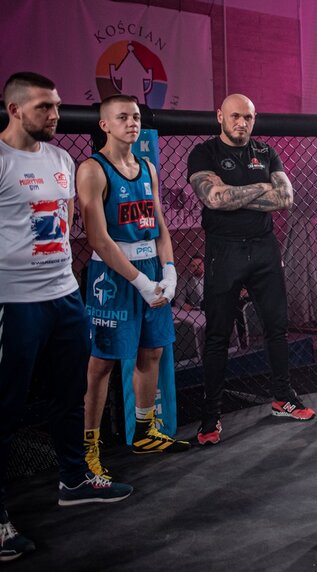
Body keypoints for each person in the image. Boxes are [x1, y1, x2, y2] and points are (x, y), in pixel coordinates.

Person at [0, 72, 132, 563]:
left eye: (57, 105)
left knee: (68, 394)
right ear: (14, 109)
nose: (55, 115)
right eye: (44, 107)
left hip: (64, 295)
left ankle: (74, 480)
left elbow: (67, 221)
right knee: (6, 406)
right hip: (14, 301)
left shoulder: (60, 159)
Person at [187, 94, 314, 446]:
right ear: (220, 116)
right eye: (235, 116)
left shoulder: (265, 152)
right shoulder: (204, 153)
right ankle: (210, 415)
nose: (242, 123)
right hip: (224, 251)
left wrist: (235, 193)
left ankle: (283, 398)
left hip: (263, 249)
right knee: (218, 335)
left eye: (248, 117)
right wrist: (261, 188)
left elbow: (285, 198)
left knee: (276, 327)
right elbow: (213, 198)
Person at [79, 95, 190, 475]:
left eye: (136, 117)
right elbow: (98, 239)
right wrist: (141, 281)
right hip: (112, 276)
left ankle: (145, 432)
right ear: (104, 125)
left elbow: (160, 226)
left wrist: (169, 271)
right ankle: (89, 449)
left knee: (152, 351)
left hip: (150, 267)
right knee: (102, 363)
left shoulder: (147, 167)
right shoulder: (92, 169)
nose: (132, 123)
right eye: (122, 117)